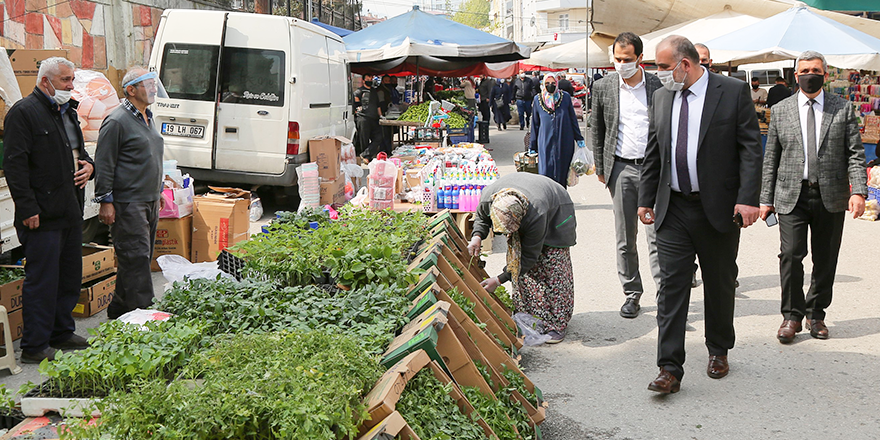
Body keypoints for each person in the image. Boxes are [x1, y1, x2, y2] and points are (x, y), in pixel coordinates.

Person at [638, 36, 762, 394]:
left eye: (662, 67)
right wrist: (646, 199)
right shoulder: (661, 97)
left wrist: (748, 199)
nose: (657, 74)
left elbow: (751, 149)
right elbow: (654, 151)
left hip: (718, 208)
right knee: (671, 286)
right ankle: (669, 368)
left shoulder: (732, 91)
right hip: (673, 207)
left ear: (685, 64)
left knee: (719, 282)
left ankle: (719, 349)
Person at [760, 51, 868, 344]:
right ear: (796, 76)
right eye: (805, 70)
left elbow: (856, 154)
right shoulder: (781, 110)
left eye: (816, 70)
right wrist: (765, 198)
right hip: (791, 195)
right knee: (791, 255)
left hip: (830, 195)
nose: (811, 74)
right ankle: (791, 316)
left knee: (825, 258)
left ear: (825, 73)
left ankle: (816, 313)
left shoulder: (842, 108)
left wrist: (858, 190)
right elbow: (771, 158)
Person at [3, 57, 94, 363]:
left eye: (72, 80)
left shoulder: (67, 111)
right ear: (46, 81)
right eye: (66, 80)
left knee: (68, 276)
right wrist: (28, 208)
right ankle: (34, 345)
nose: (71, 86)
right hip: (41, 215)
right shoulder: (23, 113)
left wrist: (89, 165)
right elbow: (14, 166)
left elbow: (81, 150)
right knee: (42, 281)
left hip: (69, 209)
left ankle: (61, 332)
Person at [590, 32, 662, 318]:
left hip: (653, 169)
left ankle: (665, 296)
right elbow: (596, 129)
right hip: (620, 168)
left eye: (627, 59)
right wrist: (601, 168)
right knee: (625, 236)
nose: (622, 64)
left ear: (640, 58)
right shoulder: (603, 86)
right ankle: (632, 293)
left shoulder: (657, 85)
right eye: (617, 59)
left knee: (657, 235)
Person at [467, 173, 577, 344]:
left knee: (552, 266)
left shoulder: (537, 212)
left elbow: (528, 256)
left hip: (557, 210)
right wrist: (477, 237)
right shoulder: (489, 197)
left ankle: (557, 323)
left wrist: (499, 279)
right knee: (524, 272)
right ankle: (533, 316)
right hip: (533, 203)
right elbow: (481, 218)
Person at [95, 67, 165, 319]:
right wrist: (105, 201)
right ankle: (145, 316)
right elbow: (104, 163)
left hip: (149, 199)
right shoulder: (117, 121)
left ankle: (119, 309)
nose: (154, 88)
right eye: (148, 84)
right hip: (128, 202)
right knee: (136, 259)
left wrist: (160, 189)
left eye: (154, 83)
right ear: (131, 90)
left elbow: (152, 155)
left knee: (139, 258)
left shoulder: (147, 116)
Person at [530, 75, 585, 188]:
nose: (550, 85)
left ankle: (561, 198)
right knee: (545, 171)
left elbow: (572, 119)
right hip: (545, 141)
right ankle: (548, 198)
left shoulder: (565, 97)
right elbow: (535, 124)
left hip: (564, 139)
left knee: (562, 171)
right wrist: (532, 145)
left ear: (557, 83)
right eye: (547, 83)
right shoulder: (538, 99)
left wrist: (579, 137)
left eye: (553, 83)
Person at [353, 74, 383, 160]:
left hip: (374, 118)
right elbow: (355, 105)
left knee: (379, 137)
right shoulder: (359, 92)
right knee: (364, 140)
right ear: (363, 81)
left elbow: (378, 105)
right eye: (367, 79)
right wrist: (358, 113)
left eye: (371, 79)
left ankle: (365, 154)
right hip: (363, 119)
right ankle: (366, 157)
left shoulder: (374, 91)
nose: (369, 80)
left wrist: (380, 115)